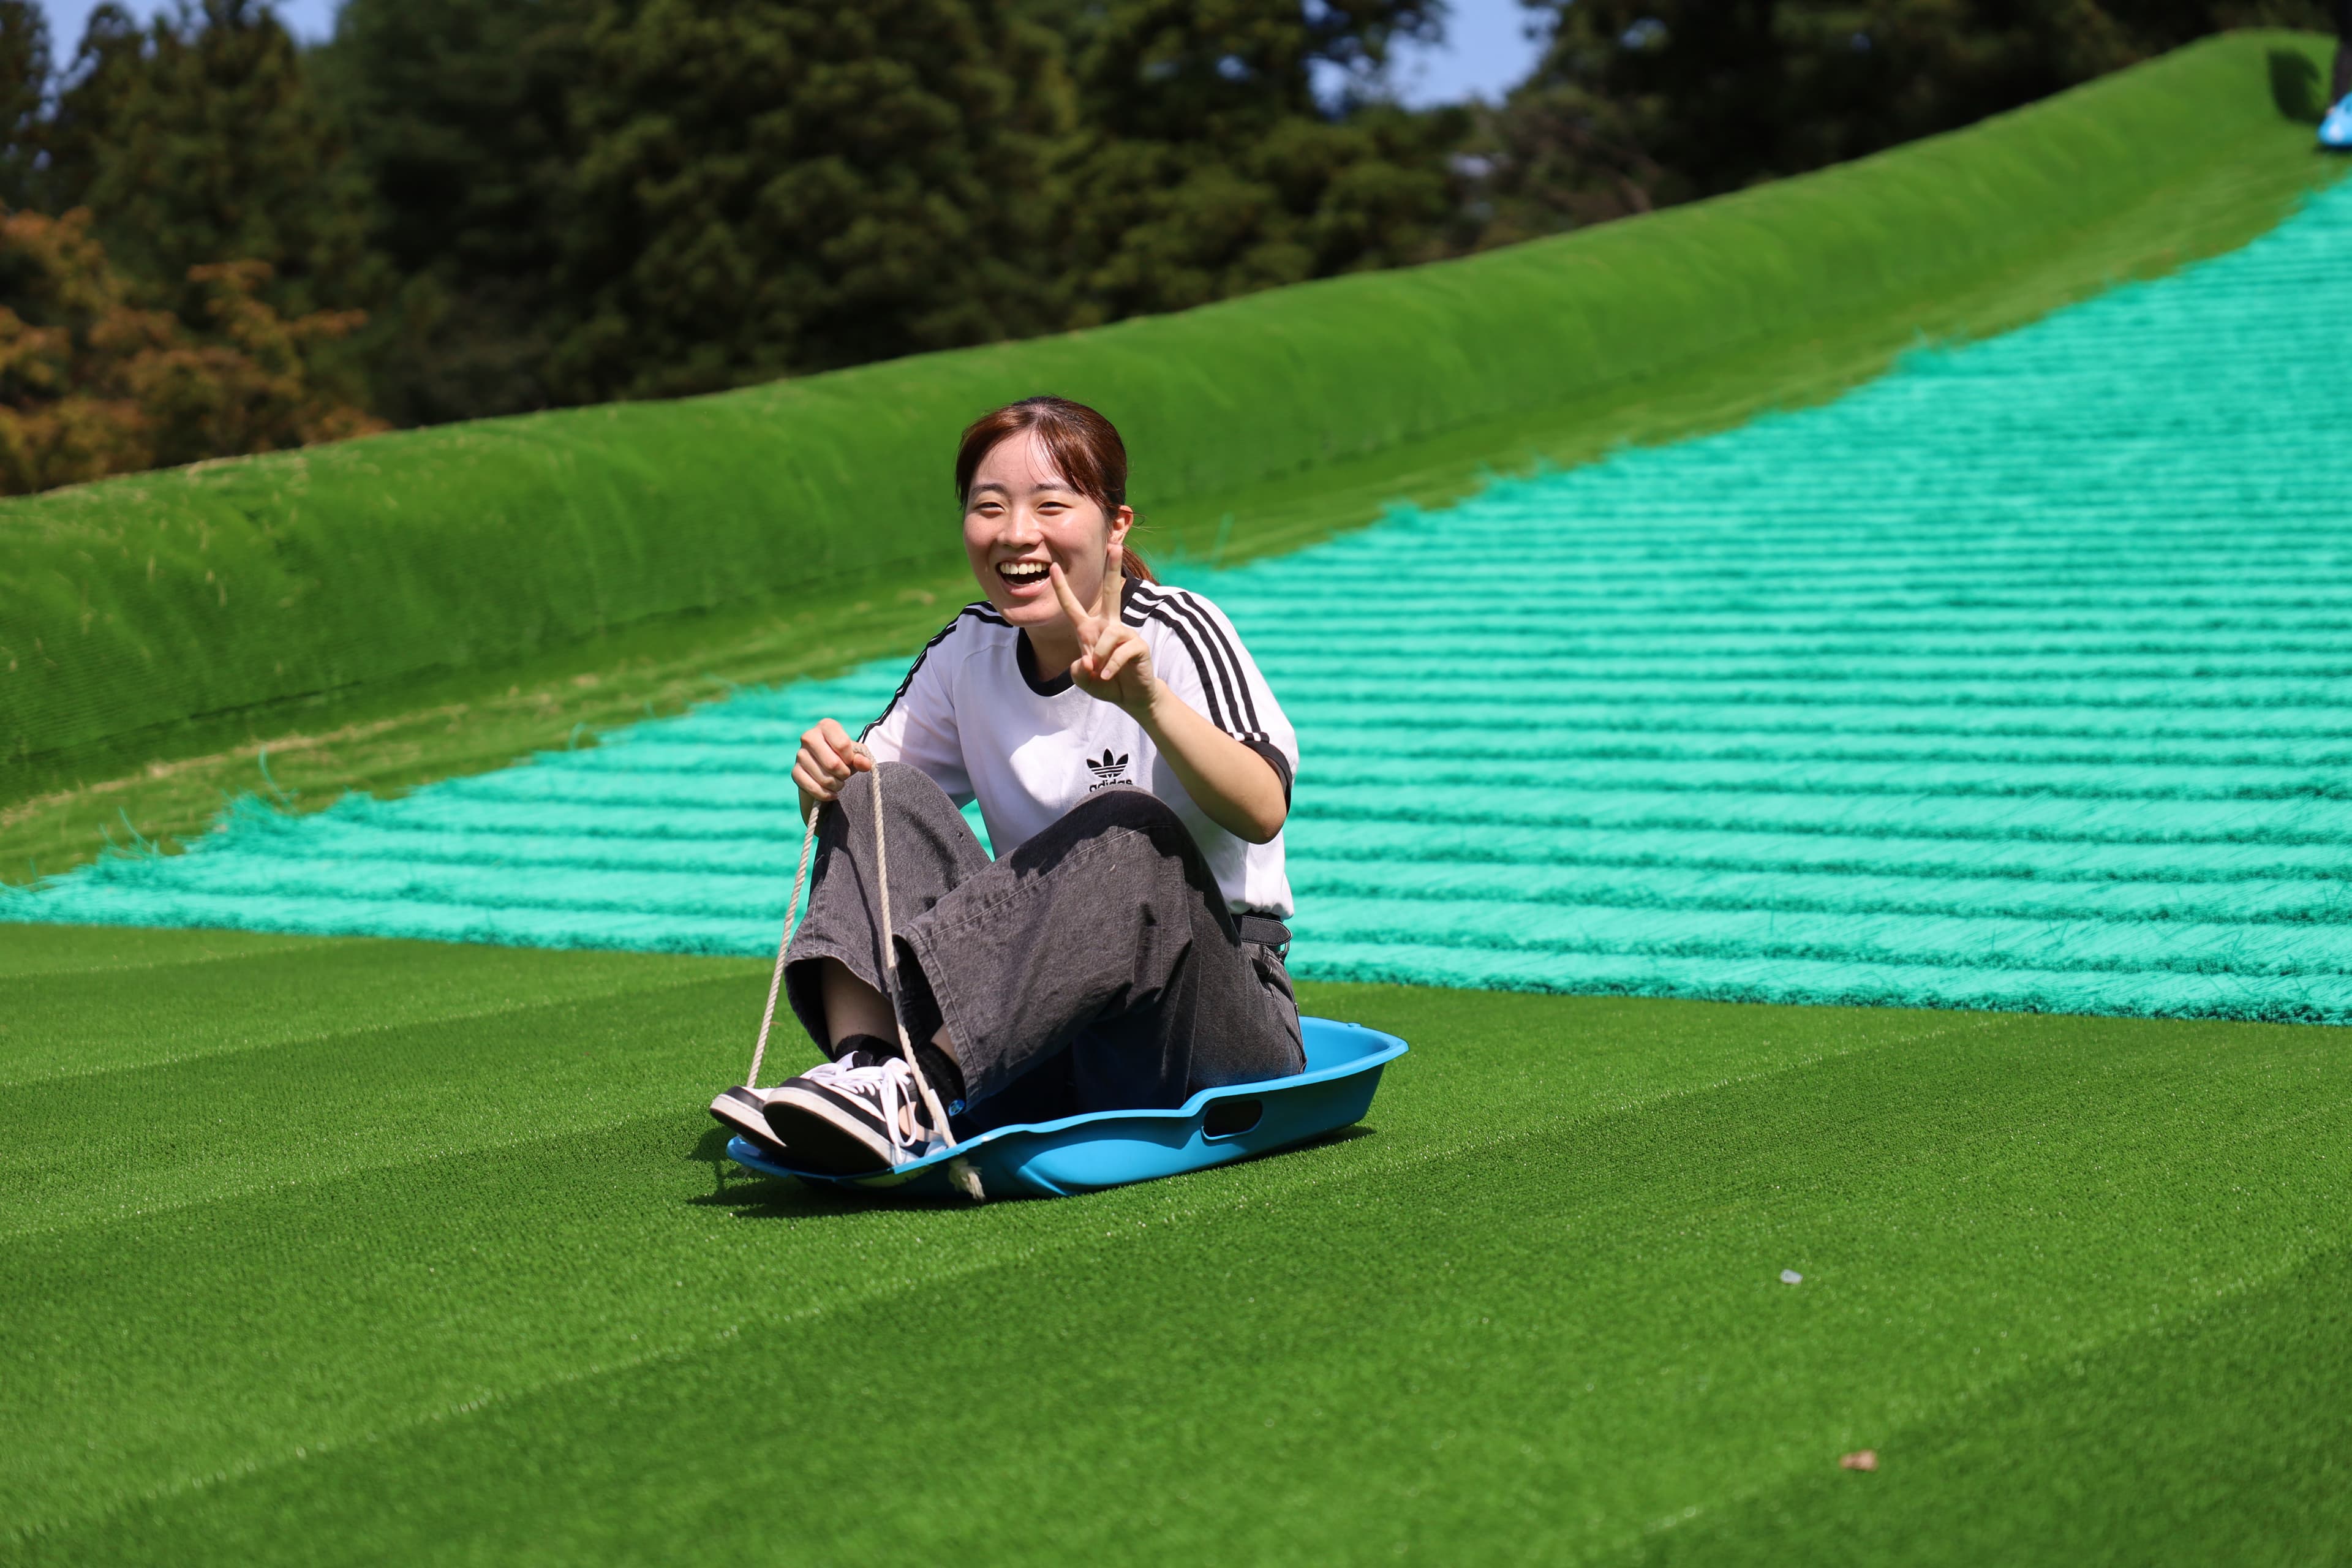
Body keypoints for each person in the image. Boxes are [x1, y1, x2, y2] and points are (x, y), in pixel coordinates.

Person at [710, 395, 1304, 1175]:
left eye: (1050, 505)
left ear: (1116, 525)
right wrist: (821, 781)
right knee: (871, 787)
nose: (1017, 534)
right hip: (1042, 1020)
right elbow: (860, 820)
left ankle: (928, 1092)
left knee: (1127, 830)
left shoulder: (1176, 631)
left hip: (1205, 1013)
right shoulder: (970, 649)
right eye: (990, 507)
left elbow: (1263, 808)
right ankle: (869, 1071)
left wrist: (1149, 704)